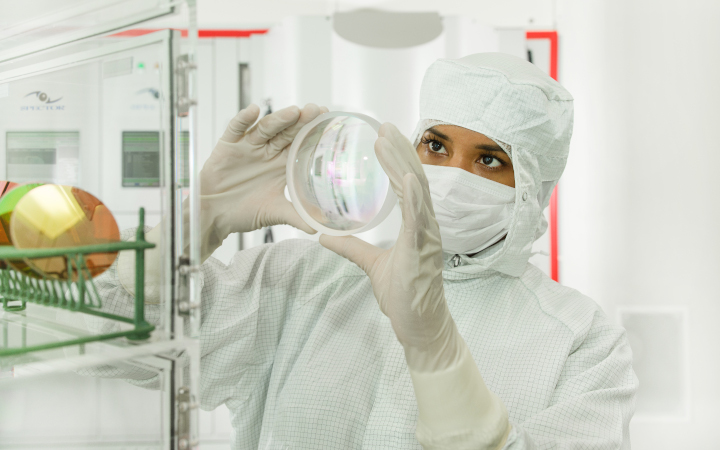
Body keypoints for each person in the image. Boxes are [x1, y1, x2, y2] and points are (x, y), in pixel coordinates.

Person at [100, 53, 637, 449]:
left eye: (491, 160)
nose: (449, 177)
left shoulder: (582, 343)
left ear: (533, 189)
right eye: (436, 146)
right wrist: (193, 229)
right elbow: (126, 350)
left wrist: (436, 352)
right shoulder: (306, 275)